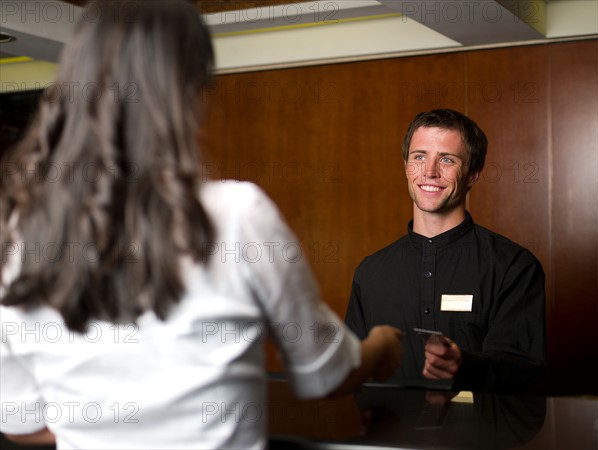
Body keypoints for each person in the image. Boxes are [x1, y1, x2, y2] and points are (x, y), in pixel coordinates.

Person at [0, 1, 404, 448]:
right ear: (188, 90)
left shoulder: (14, 235)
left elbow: (25, 426)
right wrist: (381, 347)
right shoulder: (238, 214)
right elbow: (327, 374)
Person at [345, 108, 546, 393]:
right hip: (389, 436)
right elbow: (353, 373)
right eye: (419, 157)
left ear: (473, 174)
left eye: (447, 159)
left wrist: (464, 366)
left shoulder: (513, 267)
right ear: (406, 166)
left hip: (480, 435)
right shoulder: (370, 273)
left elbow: (523, 374)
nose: (430, 171)